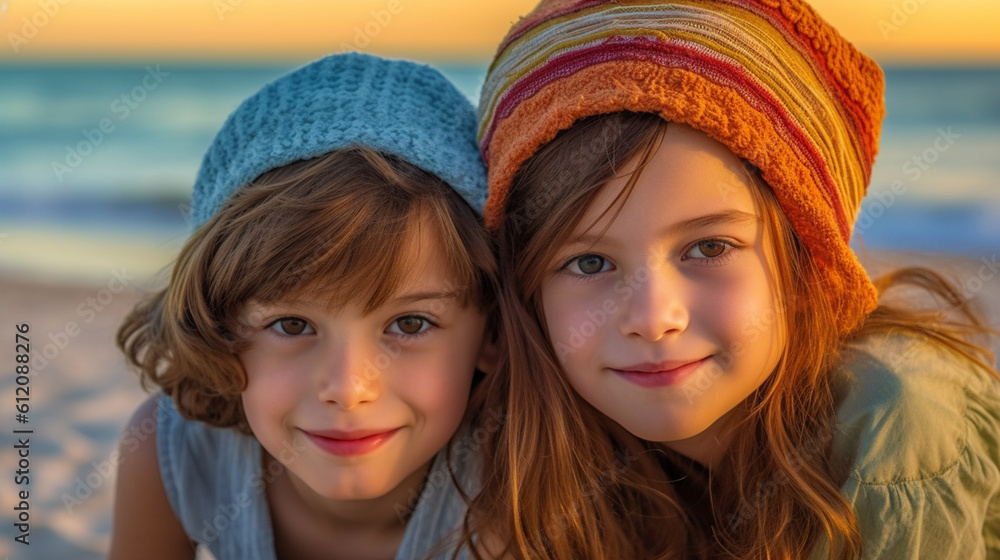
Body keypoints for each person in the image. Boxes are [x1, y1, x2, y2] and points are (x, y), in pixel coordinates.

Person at [465, 1, 1000, 558]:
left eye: (709, 247)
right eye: (590, 263)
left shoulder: (893, 427)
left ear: (805, 261)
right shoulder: (533, 436)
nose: (652, 318)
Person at [109, 52, 497, 560]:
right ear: (217, 325)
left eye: (410, 322)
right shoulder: (174, 454)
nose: (346, 388)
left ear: (493, 334)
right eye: (291, 323)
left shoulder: (521, 491)